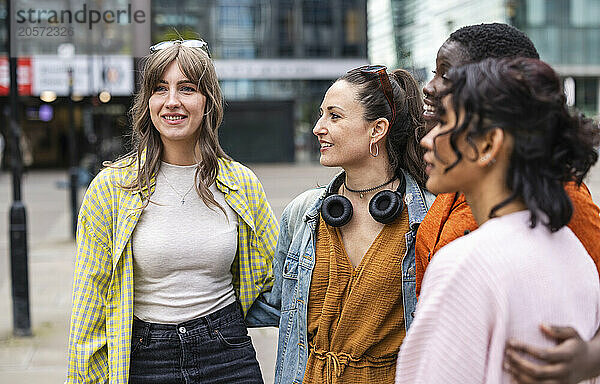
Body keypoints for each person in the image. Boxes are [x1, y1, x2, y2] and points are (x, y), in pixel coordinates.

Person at [66, 39, 278, 384]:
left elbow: (277, 274)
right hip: (145, 358)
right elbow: (90, 301)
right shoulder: (111, 189)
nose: (172, 101)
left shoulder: (241, 183)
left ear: (207, 101)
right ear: (147, 102)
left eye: (187, 88)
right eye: (160, 89)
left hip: (227, 351)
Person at [396, 57, 600, 383]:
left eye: (446, 123)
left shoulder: (466, 265)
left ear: (489, 143)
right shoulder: (574, 253)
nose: (427, 139)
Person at [248, 65, 434, 384]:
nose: (319, 127)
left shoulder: (428, 215)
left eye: (334, 116)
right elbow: (277, 303)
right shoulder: (303, 212)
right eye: (322, 115)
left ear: (377, 129)